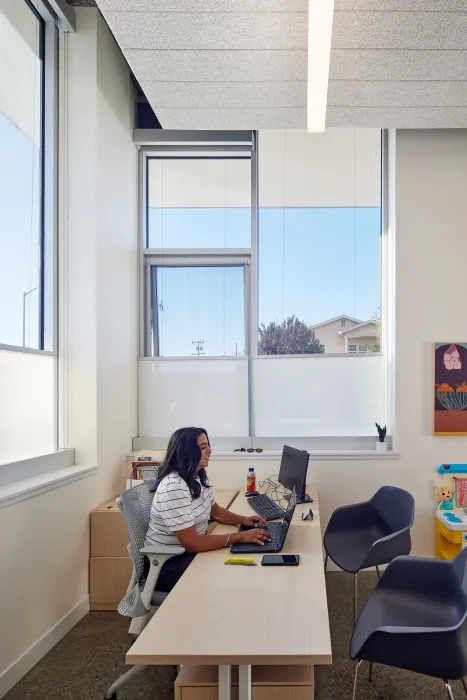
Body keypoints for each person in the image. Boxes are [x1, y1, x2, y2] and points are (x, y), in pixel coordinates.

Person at [145, 426, 271, 592]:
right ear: (187, 452)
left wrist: (243, 520)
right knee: (231, 570)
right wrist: (239, 537)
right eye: (203, 447)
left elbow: (217, 513)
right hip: (167, 565)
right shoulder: (174, 487)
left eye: (208, 445)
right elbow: (192, 543)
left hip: (186, 555)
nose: (210, 450)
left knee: (238, 560)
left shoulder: (195, 476)